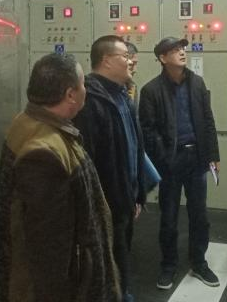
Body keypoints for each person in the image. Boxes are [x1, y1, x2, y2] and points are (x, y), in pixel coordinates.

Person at [0, 53, 121, 301]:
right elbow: (49, 251)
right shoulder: (44, 153)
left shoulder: (28, 121)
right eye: (83, 84)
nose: (86, 90)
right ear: (70, 95)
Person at [138, 36, 221, 291]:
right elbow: (148, 130)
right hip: (170, 162)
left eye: (182, 48)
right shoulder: (151, 90)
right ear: (163, 58)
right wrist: (164, 158)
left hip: (197, 159)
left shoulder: (197, 83)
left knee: (200, 215)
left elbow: (208, 120)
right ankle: (168, 265)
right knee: (169, 217)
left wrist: (213, 155)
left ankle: (199, 262)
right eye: (174, 50)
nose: (182, 52)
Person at [73, 35, 146, 302]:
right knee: (108, 264)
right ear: (106, 60)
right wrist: (98, 206)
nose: (131, 61)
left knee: (122, 258)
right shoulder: (90, 100)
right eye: (125, 56)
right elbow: (88, 161)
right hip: (107, 203)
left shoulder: (122, 95)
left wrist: (138, 194)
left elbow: (134, 147)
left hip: (126, 198)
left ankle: (123, 293)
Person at [124, 41, 140, 106]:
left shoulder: (132, 86)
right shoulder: (99, 89)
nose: (134, 70)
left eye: (136, 64)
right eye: (131, 65)